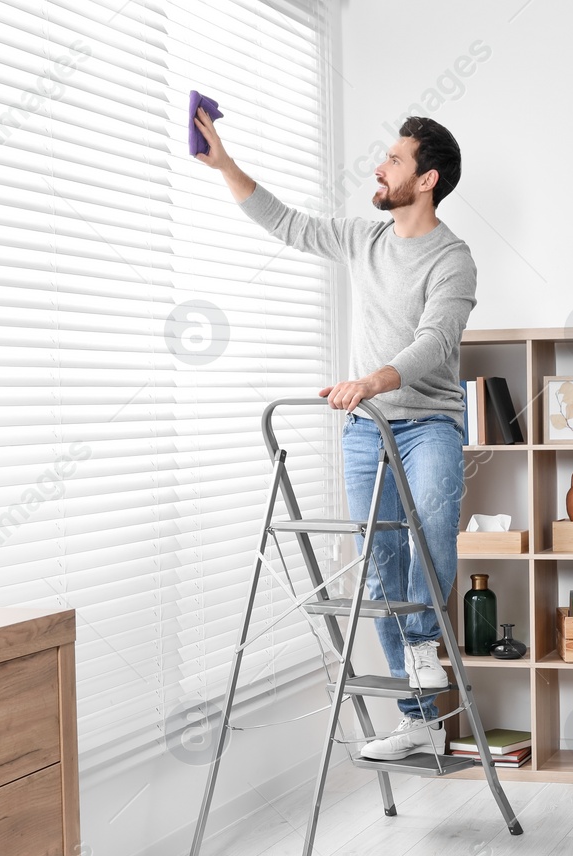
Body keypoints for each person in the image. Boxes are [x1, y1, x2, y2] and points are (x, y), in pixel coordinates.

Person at [193, 107, 476, 762]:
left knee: (428, 536)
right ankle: (418, 721)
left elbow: (435, 344)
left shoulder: (454, 260)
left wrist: (372, 381)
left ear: (427, 178)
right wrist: (224, 162)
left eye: (395, 160)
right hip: (366, 428)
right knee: (380, 566)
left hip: (427, 422)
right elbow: (288, 225)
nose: (379, 168)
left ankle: (424, 659)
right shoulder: (363, 239)